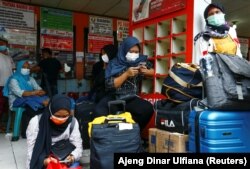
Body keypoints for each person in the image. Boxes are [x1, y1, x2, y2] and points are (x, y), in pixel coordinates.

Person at [94, 36, 154, 131]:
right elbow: (110, 85)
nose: (134, 54)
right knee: (99, 111)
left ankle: (132, 132)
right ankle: (110, 137)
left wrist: (145, 71)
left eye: (136, 52)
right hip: (114, 97)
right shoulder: (114, 63)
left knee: (147, 109)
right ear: (124, 50)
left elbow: (153, 72)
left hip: (131, 97)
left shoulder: (140, 61)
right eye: (131, 51)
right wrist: (126, 74)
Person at [26, 94, 83, 169]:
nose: (61, 119)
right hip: (43, 155)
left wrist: (72, 156)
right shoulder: (36, 122)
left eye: (65, 116)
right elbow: (31, 151)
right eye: (57, 115)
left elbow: (78, 145)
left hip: (63, 154)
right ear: (50, 110)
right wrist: (44, 161)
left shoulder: (72, 122)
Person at [3, 60, 49, 138]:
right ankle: (29, 131)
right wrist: (35, 92)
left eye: (28, 67)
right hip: (16, 101)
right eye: (24, 67)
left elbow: (39, 89)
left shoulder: (30, 79)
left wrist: (41, 92)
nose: (26, 69)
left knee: (39, 102)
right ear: (19, 68)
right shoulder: (13, 79)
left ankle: (35, 130)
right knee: (30, 102)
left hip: (30, 100)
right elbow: (20, 93)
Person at [0, 38, 15, 130]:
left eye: (4, 44)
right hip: (0, 85)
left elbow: (13, 70)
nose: (3, 45)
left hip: (8, 86)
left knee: (6, 107)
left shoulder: (9, 57)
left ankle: (3, 124)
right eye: (1, 44)